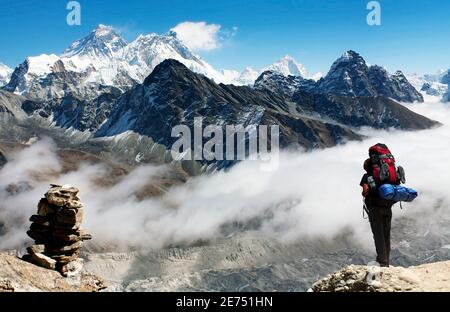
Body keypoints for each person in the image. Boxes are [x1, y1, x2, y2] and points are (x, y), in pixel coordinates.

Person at [360, 157, 396, 267]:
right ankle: (387, 261)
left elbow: (365, 192)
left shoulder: (367, 176)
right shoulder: (386, 177)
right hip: (387, 207)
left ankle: (382, 261)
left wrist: (367, 191)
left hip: (375, 209)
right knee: (386, 235)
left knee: (378, 235)